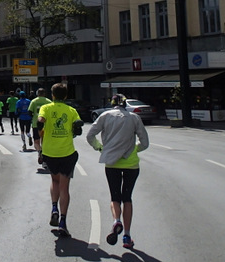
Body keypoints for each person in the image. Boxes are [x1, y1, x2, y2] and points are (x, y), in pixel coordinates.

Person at [86, 93, 149, 249]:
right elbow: (145, 143)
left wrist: (100, 147)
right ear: (126, 104)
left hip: (112, 163)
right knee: (127, 198)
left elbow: (90, 135)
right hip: (131, 164)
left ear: (112, 103)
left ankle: (116, 221)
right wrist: (135, 149)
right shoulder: (134, 118)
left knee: (115, 197)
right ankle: (127, 235)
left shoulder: (105, 116)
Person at [38, 83, 83, 238]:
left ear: (52, 95)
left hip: (50, 152)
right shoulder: (71, 110)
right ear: (65, 96)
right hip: (67, 152)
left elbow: (40, 120)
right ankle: (63, 222)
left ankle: (54, 208)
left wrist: (40, 133)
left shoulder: (46, 108)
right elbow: (78, 127)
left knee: (54, 180)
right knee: (65, 187)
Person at [29, 88, 51, 165]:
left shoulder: (34, 101)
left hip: (36, 124)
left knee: (36, 141)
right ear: (44, 93)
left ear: (37, 93)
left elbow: (29, 112)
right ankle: (45, 159)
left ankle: (39, 151)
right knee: (44, 142)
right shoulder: (48, 102)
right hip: (46, 125)